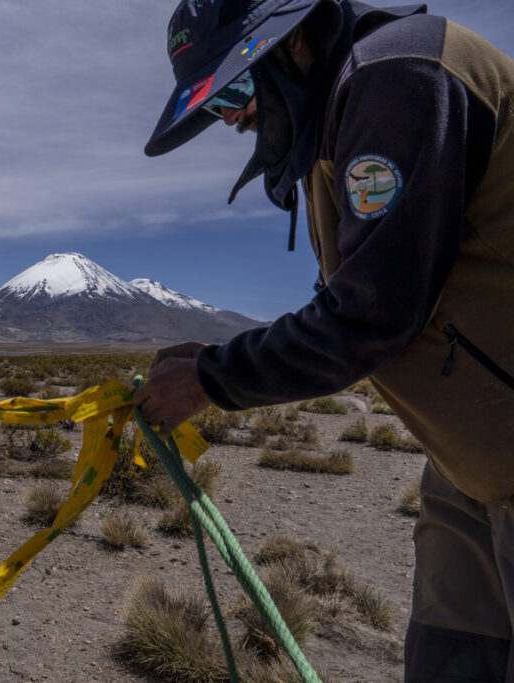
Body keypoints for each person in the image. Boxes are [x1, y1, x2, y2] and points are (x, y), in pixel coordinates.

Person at [132, 1, 514, 680]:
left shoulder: (399, 75)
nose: (231, 117)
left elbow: (373, 311)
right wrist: (214, 360)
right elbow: (357, 298)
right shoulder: (341, 119)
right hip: (468, 461)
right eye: (214, 103)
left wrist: (212, 379)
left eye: (235, 88)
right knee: (449, 653)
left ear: (296, 37)